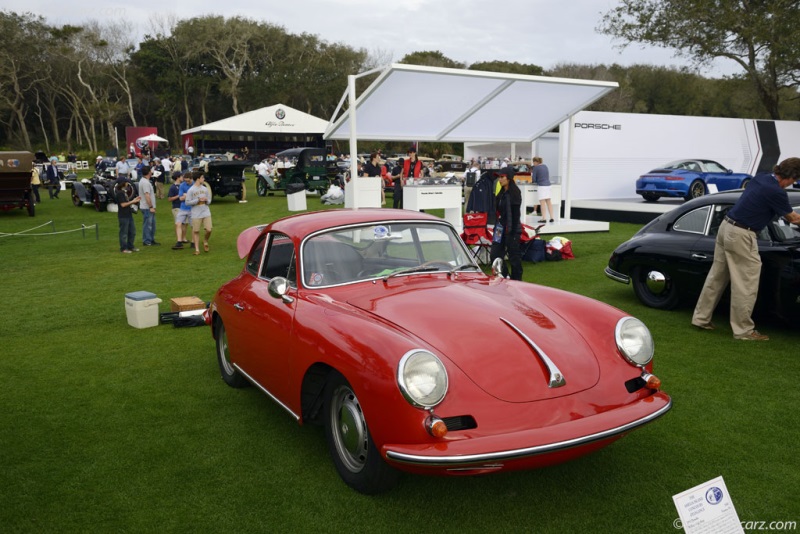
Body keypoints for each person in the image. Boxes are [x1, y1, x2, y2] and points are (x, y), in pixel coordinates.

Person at [691, 157, 800, 340]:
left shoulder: (762, 178)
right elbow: (794, 219)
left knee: (716, 277)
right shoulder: (776, 192)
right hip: (742, 234)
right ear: (791, 176)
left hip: (726, 228)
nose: (793, 184)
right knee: (746, 283)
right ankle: (744, 331)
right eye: (795, 180)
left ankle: (701, 318)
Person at [490, 166, 523, 280]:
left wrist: (512, 232)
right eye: (499, 177)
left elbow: (515, 215)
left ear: (509, 178)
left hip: (512, 230)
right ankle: (505, 276)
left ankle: (517, 281)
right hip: (500, 228)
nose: (500, 179)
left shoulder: (514, 193)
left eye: (502, 177)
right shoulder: (502, 193)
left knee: (514, 258)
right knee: (494, 255)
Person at [185, 171, 213, 255]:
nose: (203, 179)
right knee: (196, 231)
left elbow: (209, 200)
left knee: (209, 229)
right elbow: (187, 202)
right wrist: (197, 200)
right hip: (196, 213)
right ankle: (197, 249)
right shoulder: (191, 190)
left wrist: (206, 200)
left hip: (206, 211)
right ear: (198, 179)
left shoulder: (204, 189)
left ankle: (205, 240)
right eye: (202, 178)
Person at [115, 176, 141, 254]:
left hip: (128, 214)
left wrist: (134, 200)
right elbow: (123, 204)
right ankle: (123, 248)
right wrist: (132, 201)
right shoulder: (120, 193)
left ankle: (130, 246)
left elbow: (126, 202)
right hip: (123, 216)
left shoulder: (124, 192)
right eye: (126, 182)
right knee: (124, 233)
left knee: (132, 231)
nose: (127, 183)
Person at [138, 165, 159, 246]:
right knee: (148, 225)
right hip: (147, 207)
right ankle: (147, 241)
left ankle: (151, 239)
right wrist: (151, 207)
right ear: (149, 172)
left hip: (149, 207)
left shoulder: (145, 181)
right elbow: (147, 195)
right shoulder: (145, 182)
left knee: (152, 225)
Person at [532, 156, 554, 223]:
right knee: (549, 202)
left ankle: (544, 218)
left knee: (542, 203)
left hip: (541, 186)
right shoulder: (545, 166)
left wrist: (534, 181)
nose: (533, 163)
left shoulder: (536, 168)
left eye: (534, 162)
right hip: (548, 185)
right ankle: (551, 217)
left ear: (536, 162)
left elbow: (534, 179)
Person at [176, 171, 194, 248]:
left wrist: (186, 195)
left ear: (191, 179)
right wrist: (188, 196)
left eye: (188, 181)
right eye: (185, 180)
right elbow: (180, 198)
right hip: (183, 208)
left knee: (193, 226)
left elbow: (196, 198)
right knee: (178, 224)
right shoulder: (182, 185)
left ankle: (193, 242)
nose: (186, 182)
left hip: (192, 209)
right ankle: (179, 241)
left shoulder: (195, 185)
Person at [167, 172, 185, 249]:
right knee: (178, 224)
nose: (183, 178)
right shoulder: (173, 187)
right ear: (178, 177)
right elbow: (169, 199)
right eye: (181, 176)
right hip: (176, 207)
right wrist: (179, 196)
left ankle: (183, 238)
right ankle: (179, 240)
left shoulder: (183, 185)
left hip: (183, 207)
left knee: (184, 224)